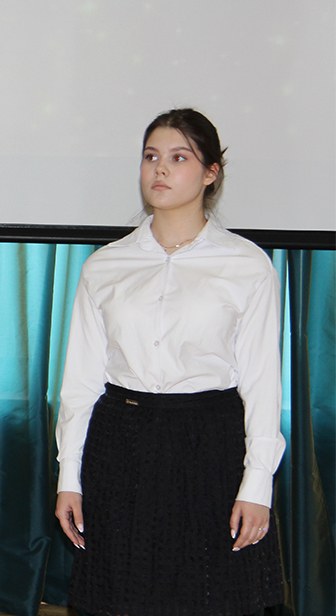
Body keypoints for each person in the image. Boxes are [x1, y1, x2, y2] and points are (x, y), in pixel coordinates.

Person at [54, 108, 285, 615]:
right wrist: (69, 475)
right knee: (121, 597)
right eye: (150, 156)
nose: (160, 168)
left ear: (211, 173)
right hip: (121, 442)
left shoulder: (247, 265)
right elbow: (80, 383)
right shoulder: (105, 265)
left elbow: (263, 383)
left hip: (211, 442)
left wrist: (257, 482)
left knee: (211, 598)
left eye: (179, 158)